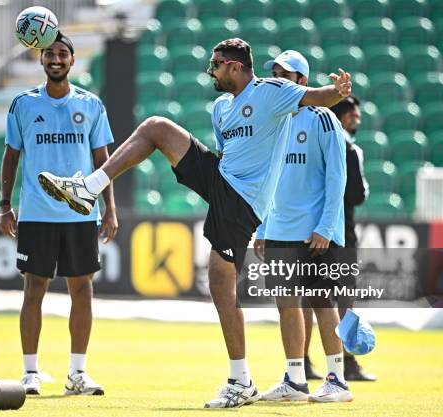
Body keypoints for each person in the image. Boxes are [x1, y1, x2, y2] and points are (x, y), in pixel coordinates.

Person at [37, 38, 351, 408]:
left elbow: (320, 97)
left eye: (216, 64)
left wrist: (337, 90)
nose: (210, 71)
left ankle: (244, 380)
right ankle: (89, 187)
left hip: (244, 200)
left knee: (222, 280)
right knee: (156, 127)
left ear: (235, 66)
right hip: (223, 183)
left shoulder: (273, 91)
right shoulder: (221, 107)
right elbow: (225, 153)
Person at [0, 32, 118, 396]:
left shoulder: (92, 104)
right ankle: (30, 373)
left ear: (72, 60)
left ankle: (77, 373)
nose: (56, 59)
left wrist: (110, 209)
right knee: (34, 289)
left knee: (82, 290)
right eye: (50, 53)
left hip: (81, 214)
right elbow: (11, 156)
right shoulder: (23, 104)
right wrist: (5, 205)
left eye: (62, 53)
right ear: (41, 59)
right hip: (36, 213)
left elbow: (104, 162)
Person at [254, 50, 352, 402]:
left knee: (323, 302)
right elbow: (268, 180)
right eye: (275, 73)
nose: (278, 78)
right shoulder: (273, 120)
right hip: (279, 230)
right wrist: (263, 227)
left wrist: (326, 226)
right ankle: (295, 380)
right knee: (286, 304)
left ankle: (337, 380)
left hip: (315, 232)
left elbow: (336, 177)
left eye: (286, 74)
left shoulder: (323, 118)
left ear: (303, 82)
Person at [302, 95, 375, 382]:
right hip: (340, 232)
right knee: (343, 297)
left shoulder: (315, 142)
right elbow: (356, 194)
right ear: (345, 117)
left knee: (307, 296)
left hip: (310, 229)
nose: (357, 119)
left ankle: (302, 361)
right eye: (355, 114)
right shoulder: (348, 147)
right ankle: (347, 361)